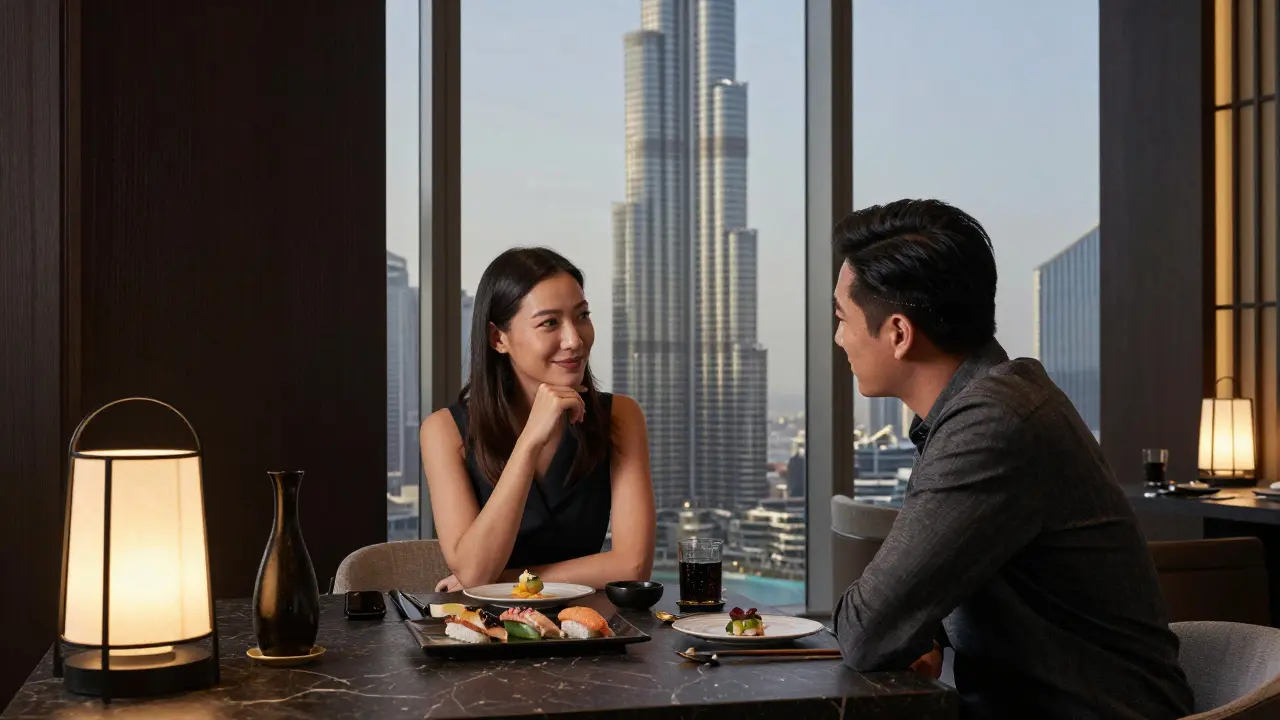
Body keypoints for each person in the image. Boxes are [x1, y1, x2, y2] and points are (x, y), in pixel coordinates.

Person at [829, 200, 1193, 719]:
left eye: (842, 318)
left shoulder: (992, 424)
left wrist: (900, 626)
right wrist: (916, 628)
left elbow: (865, 631)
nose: (839, 337)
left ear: (898, 333)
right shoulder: (991, 402)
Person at [421, 247, 655, 592]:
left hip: (591, 631)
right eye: (549, 323)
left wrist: (505, 580)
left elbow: (633, 566)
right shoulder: (444, 430)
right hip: (484, 636)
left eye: (582, 316)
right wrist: (529, 442)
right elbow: (473, 569)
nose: (574, 340)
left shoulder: (620, 416)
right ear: (498, 338)